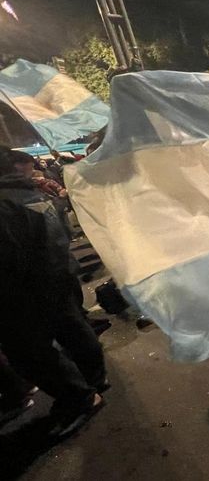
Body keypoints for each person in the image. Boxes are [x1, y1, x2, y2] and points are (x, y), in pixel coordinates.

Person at [0, 169, 108, 437]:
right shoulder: (28, 191)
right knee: (72, 328)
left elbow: (9, 257)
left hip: (24, 289)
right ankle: (94, 379)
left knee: (28, 353)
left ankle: (79, 398)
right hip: (56, 272)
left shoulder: (5, 202)